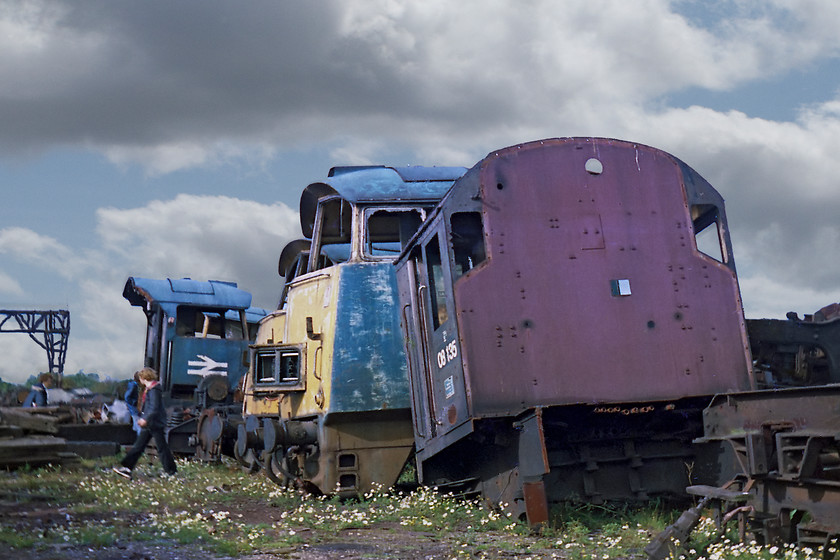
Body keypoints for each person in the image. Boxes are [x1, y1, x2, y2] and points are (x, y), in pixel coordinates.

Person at [112, 367, 177, 478]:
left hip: (153, 423)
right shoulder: (152, 389)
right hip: (152, 423)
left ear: (143, 378)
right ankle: (170, 471)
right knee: (147, 446)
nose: (140, 380)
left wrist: (145, 419)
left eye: (140, 378)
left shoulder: (154, 390)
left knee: (156, 447)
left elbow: (154, 408)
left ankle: (170, 471)